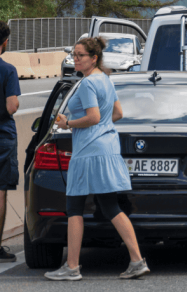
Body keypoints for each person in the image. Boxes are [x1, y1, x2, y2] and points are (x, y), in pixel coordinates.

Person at [46, 37, 148, 281]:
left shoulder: (87, 84)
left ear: (94, 58)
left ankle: (72, 267)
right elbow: (118, 113)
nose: (76, 58)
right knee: (111, 206)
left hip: (88, 152)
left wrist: (67, 123)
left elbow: (92, 117)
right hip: (107, 148)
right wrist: (102, 127)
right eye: (74, 54)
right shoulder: (105, 79)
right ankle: (137, 260)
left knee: (74, 208)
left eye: (80, 55)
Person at [0, 22, 20, 263]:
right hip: (2, 136)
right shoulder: (8, 70)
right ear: (4, 42)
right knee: (0, 192)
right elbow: (12, 106)